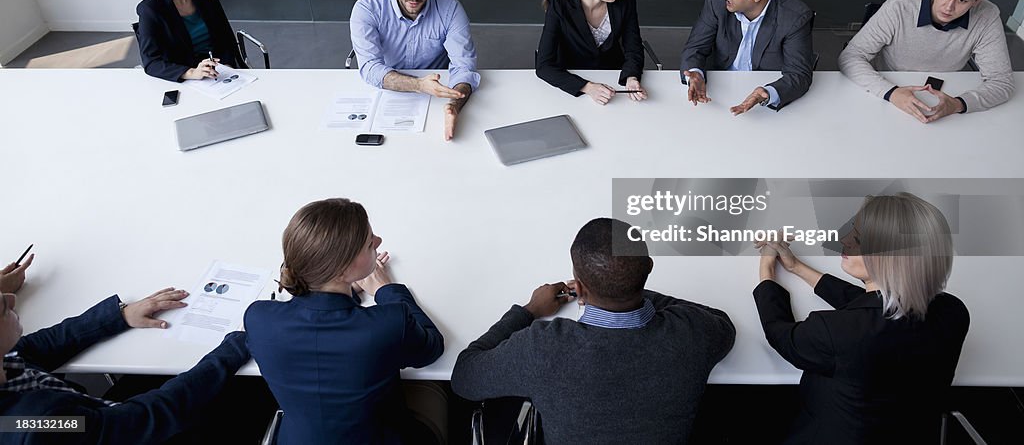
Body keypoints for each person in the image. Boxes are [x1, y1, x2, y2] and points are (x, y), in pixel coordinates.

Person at [451, 217, 735, 444]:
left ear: (581, 288)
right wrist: (633, 287)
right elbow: (721, 321)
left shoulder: (544, 349)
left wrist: (528, 311)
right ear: (649, 268)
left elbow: (465, 377)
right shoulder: (693, 334)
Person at [753, 193, 969, 445]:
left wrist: (767, 266)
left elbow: (781, 334)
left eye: (857, 239)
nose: (844, 240)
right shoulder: (953, 312)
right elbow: (873, 306)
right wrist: (797, 267)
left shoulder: (836, 332)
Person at [244, 198, 445, 445]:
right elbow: (432, 347)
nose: (378, 241)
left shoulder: (259, 318)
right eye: (369, 244)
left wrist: (344, 292)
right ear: (342, 271)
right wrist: (386, 289)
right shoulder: (389, 323)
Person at [0, 285, 250, 444]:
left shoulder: (6, 360)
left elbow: (40, 346)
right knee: (249, 389)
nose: (12, 299)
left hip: (97, 418)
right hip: (139, 430)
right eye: (1, 307)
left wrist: (119, 315)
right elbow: (147, 419)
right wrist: (233, 348)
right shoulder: (37, 424)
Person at [838, 0, 1013, 122]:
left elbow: (1001, 82)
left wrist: (958, 104)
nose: (948, 7)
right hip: (887, 88)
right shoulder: (899, 7)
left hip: (947, 93)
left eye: (962, 0)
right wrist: (891, 93)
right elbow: (851, 56)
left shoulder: (987, 16)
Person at [350, 0, 480, 141]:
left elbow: (464, 66)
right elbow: (370, 68)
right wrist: (419, 85)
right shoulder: (367, 7)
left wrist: (455, 104)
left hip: (437, 91)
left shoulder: (450, 8)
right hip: (386, 92)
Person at [680, 0, 814, 114]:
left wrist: (768, 93)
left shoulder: (794, 17)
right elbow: (695, 48)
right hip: (717, 91)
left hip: (763, 96)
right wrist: (695, 74)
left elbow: (799, 74)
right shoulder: (715, 1)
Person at [536, 0, 647, 104]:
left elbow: (633, 45)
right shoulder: (560, 4)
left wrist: (631, 77)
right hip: (572, 79)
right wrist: (587, 87)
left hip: (613, 79)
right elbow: (544, 66)